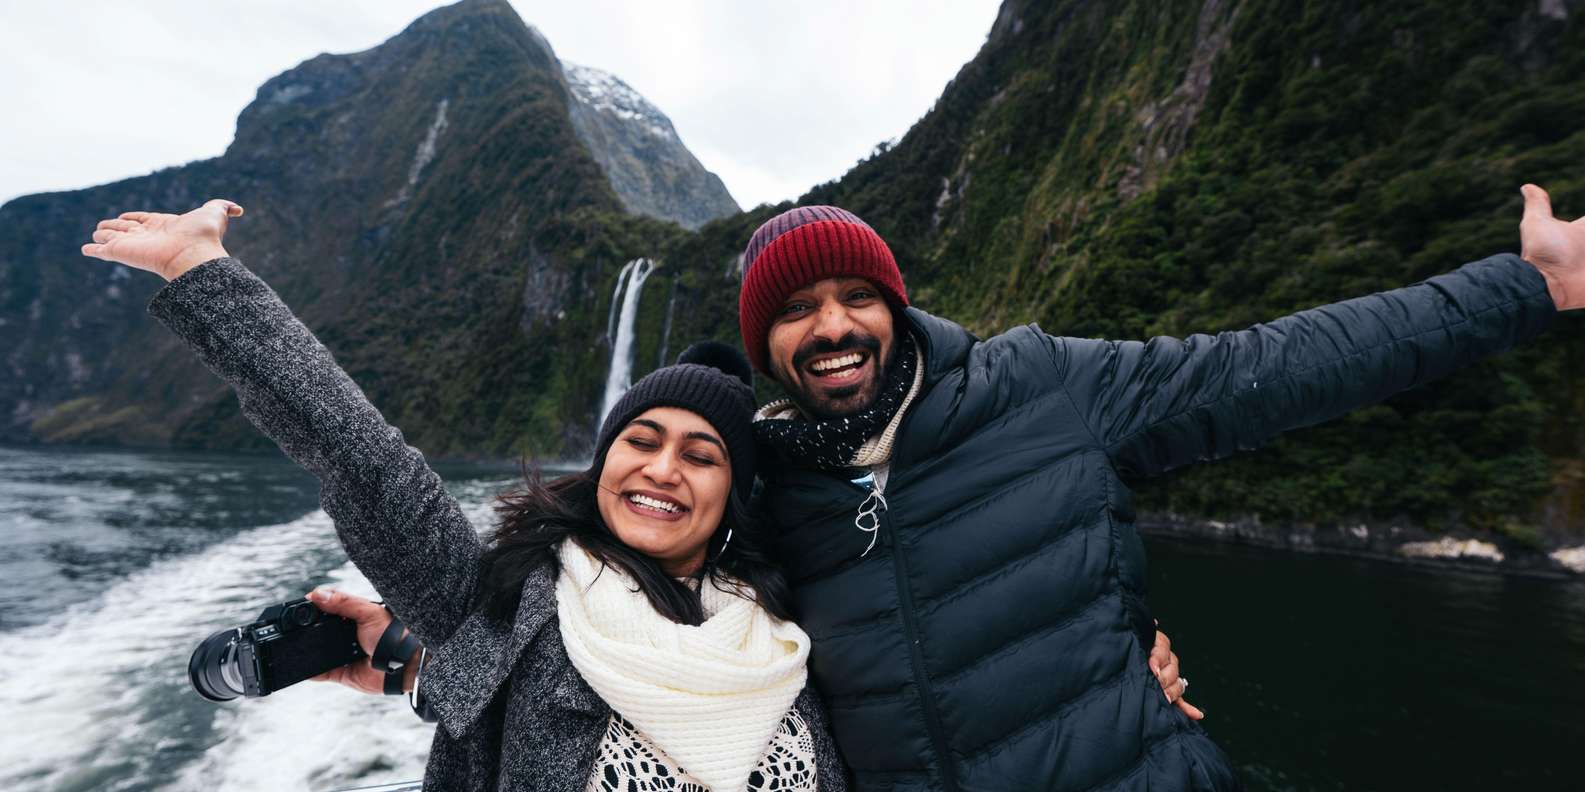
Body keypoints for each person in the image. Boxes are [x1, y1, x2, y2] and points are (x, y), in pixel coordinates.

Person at [728, 190, 1582, 791]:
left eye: (856, 297)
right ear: (764, 345)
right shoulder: (759, 492)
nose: (834, 326)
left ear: (896, 309)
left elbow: (1279, 365)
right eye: (797, 308)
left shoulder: (1035, 386)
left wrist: (1524, 288)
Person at [81, 203, 850, 791]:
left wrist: (420, 670)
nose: (662, 470)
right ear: (604, 462)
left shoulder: (794, 625)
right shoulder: (504, 601)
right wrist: (199, 267)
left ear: (731, 492)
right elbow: (362, 457)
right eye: (641, 441)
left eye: (701, 454)